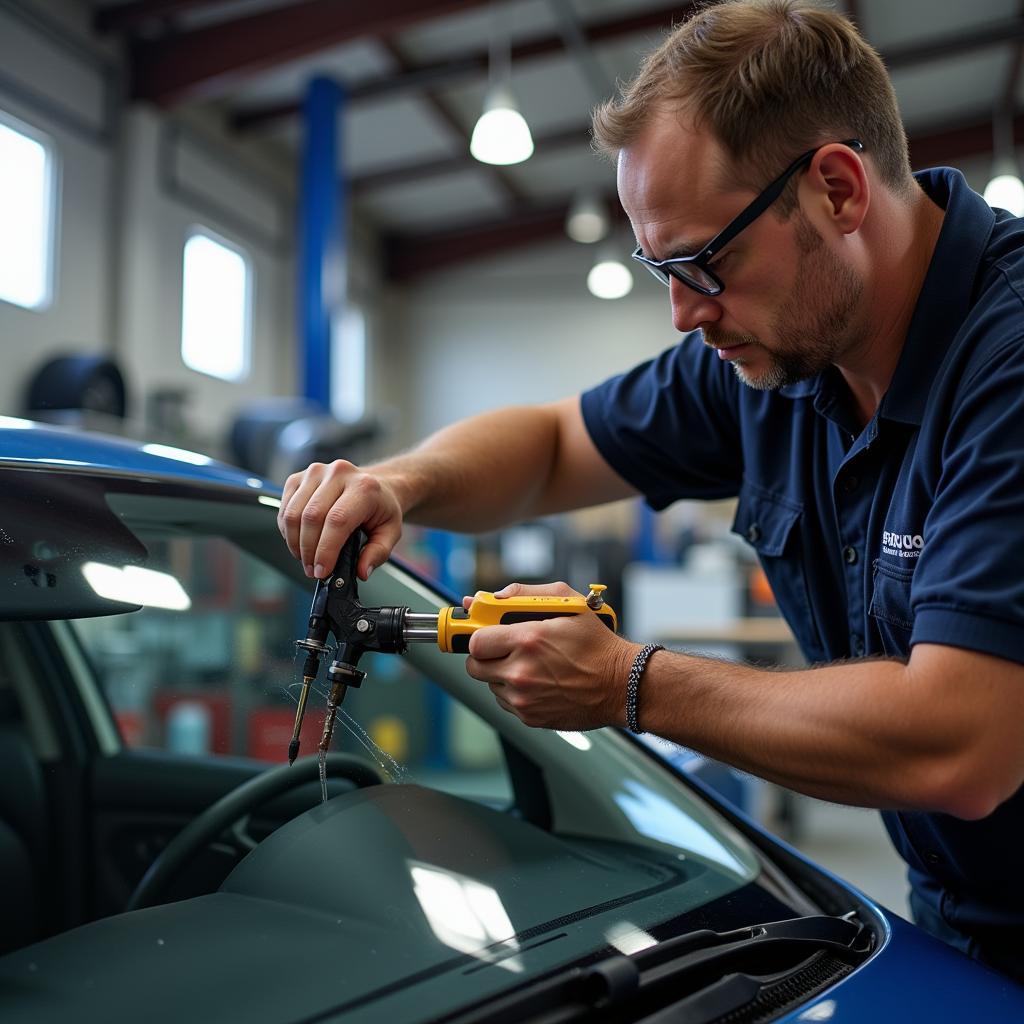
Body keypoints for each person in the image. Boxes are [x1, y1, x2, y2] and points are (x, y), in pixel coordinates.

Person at [279, 0, 1024, 982]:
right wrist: (397, 482)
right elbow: (551, 444)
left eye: (703, 262)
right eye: (656, 268)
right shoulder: (782, 359)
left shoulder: (1004, 363)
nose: (682, 313)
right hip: (957, 911)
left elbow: (961, 745)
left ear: (837, 189)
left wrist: (629, 682)